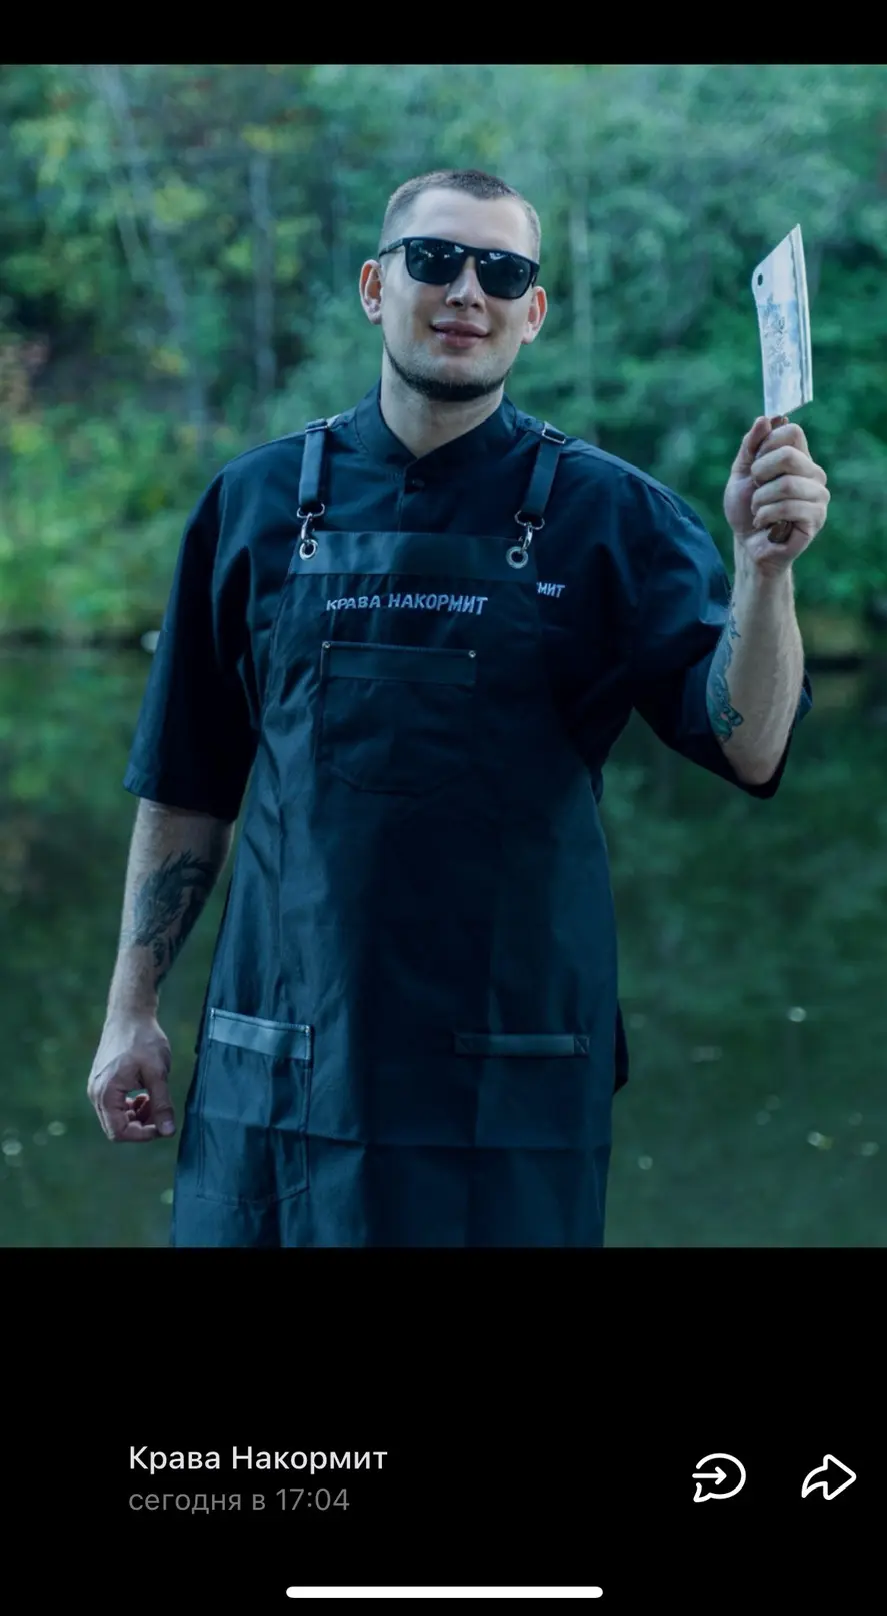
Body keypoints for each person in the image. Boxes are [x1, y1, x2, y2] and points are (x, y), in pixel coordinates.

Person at [86, 168, 829, 1247]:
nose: (466, 291)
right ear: (374, 286)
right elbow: (185, 785)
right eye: (434, 259)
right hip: (278, 1063)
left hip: (510, 1081)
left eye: (502, 271)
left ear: (533, 310)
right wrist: (130, 1010)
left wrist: (762, 573)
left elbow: (748, 743)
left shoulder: (613, 518)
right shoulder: (250, 505)